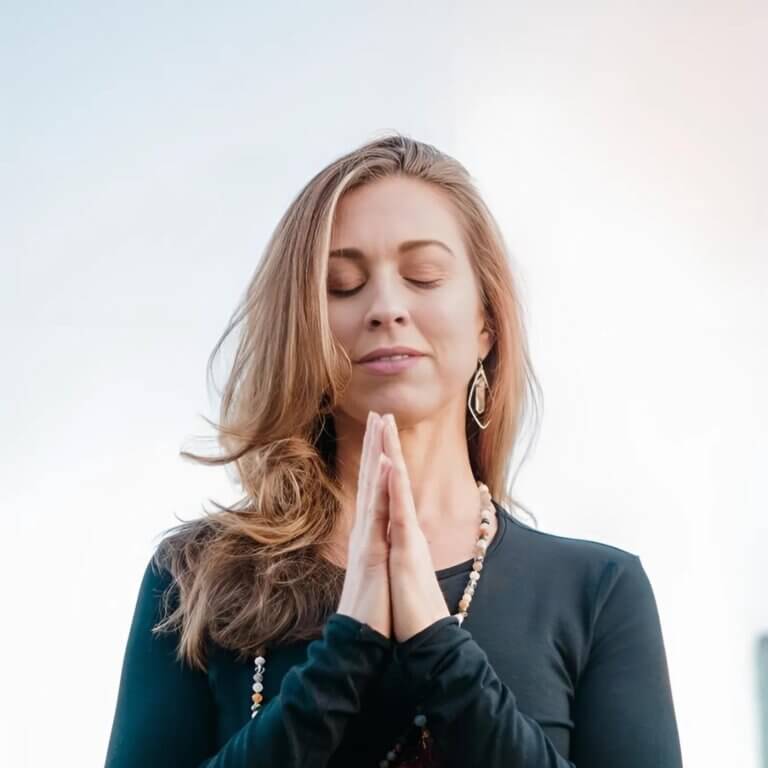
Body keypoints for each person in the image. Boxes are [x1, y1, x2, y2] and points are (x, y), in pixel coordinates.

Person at [104, 133, 683, 767]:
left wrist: (439, 647)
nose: (385, 308)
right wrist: (345, 653)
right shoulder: (194, 580)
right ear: (304, 327)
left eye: (423, 276)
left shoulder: (597, 591)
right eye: (343, 284)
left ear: (487, 321)